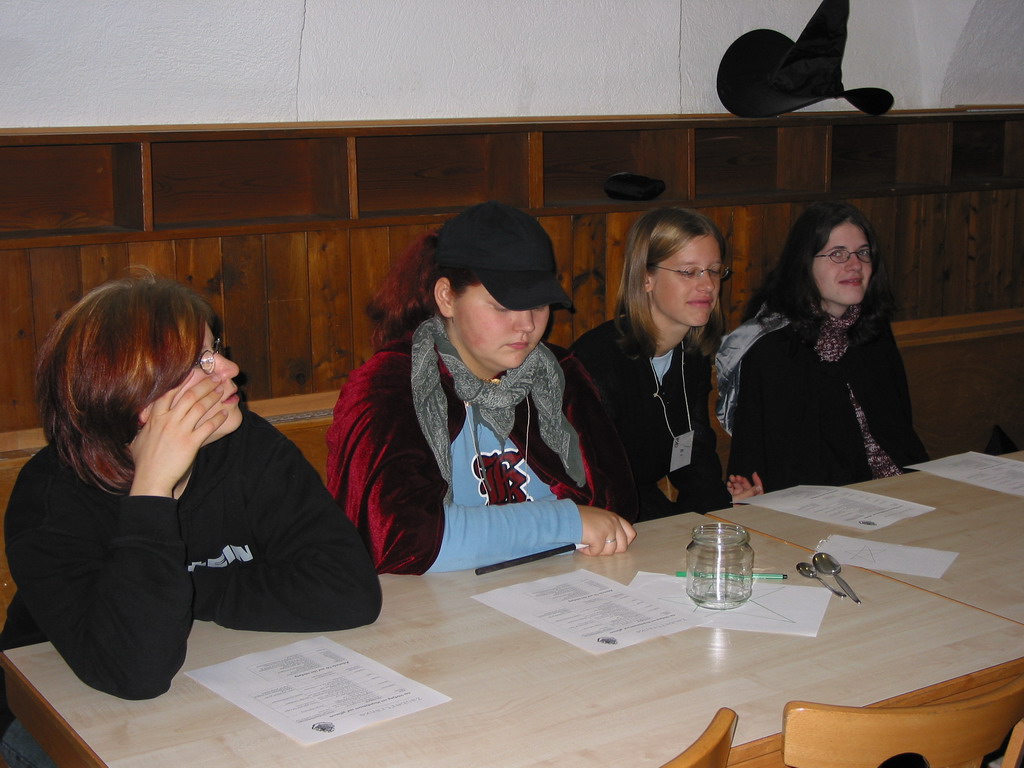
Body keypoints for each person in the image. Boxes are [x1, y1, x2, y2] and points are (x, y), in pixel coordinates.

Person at [0, 274, 382, 768]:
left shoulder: (246, 445)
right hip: (53, 718)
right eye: (201, 362)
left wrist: (189, 590)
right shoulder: (53, 496)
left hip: (212, 686)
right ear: (134, 395)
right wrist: (152, 489)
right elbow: (134, 673)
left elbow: (349, 590)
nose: (230, 368)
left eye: (214, 349)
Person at [326, 201, 639, 574]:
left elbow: (613, 507)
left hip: (559, 583)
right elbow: (400, 540)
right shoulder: (390, 387)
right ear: (447, 298)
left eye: (540, 305)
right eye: (503, 307)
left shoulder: (559, 375)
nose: (527, 325)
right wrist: (566, 521)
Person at [717, 201, 928, 493]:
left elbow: (900, 433)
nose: (855, 265)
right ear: (804, 263)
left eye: (863, 252)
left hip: (897, 486)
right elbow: (764, 457)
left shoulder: (873, 332)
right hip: (819, 501)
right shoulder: (772, 347)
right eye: (837, 254)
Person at [571, 207, 761, 521]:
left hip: (642, 509)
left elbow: (692, 453)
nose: (708, 285)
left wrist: (721, 505)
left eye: (714, 271)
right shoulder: (596, 362)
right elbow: (596, 484)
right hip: (598, 516)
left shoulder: (691, 353)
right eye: (688, 272)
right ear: (646, 278)